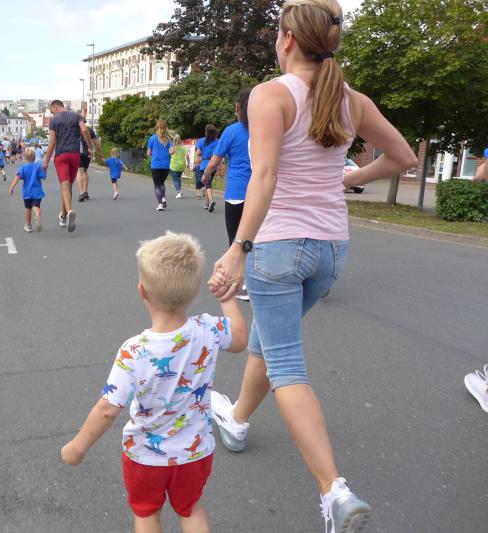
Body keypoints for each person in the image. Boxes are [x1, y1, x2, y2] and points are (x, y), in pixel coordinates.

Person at [207, 1, 417, 531]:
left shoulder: (270, 94)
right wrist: (348, 179)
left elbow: (265, 177)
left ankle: (333, 491)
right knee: (269, 341)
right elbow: (404, 158)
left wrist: (238, 248)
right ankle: (237, 420)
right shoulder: (352, 100)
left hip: (280, 247)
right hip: (331, 251)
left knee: (286, 365)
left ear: (288, 40)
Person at [61, 231, 248, 533]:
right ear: (194, 290)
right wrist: (226, 300)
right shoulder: (208, 329)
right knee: (190, 509)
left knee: (146, 513)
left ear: (142, 291)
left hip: (145, 456)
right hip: (195, 452)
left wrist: (78, 447)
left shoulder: (134, 351)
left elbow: (107, 409)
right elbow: (239, 339)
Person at [204, 88, 253, 300]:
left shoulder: (231, 131)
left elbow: (215, 161)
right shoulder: (265, 128)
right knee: (258, 239)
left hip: (236, 193)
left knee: (236, 241)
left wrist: (205, 174)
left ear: (237, 107)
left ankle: (241, 286)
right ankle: (258, 281)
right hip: (261, 194)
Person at [42, 100, 94, 232]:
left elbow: (52, 142)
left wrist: (46, 161)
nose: (52, 114)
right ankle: (64, 216)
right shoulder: (76, 116)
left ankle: (69, 211)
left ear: (56, 106)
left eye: (52, 111)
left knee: (64, 187)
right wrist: (89, 147)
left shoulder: (54, 121)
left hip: (61, 156)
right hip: (74, 155)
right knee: (69, 186)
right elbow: (85, 130)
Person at [9, 147, 46, 233]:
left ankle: (28, 226)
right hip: (37, 192)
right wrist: (44, 170)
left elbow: (17, 177)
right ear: (35, 157)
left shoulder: (23, 168)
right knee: (36, 206)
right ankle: (37, 215)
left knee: (28, 209)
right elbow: (44, 177)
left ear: (25, 158)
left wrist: (12, 187)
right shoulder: (38, 167)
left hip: (27, 192)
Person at [147, 119, 174, 211]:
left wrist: (154, 153)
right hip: (165, 165)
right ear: (165, 127)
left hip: (155, 165)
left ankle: (160, 204)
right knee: (161, 183)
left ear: (156, 127)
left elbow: (148, 153)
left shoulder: (152, 138)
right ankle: (163, 198)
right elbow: (172, 151)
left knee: (157, 185)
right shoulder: (168, 139)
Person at [196, 125, 220, 212]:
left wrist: (200, 153)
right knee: (208, 183)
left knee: (207, 184)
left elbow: (198, 152)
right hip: (214, 164)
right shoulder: (218, 141)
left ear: (206, 132)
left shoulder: (201, 141)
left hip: (204, 164)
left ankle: (211, 201)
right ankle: (206, 203)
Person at [77, 124, 102, 202]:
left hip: (77, 153)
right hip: (87, 152)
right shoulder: (90, 130)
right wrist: (100, 153)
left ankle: (81, 192)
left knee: (79, 171)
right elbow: (97, 143)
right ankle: (85, 192)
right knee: (85, 171)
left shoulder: (74, 130)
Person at [169, 135, 189, 199]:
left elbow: (170, 153)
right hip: (182, 165)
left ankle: (179, 192)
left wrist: (172, 145)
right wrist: (188, 164)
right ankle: (180, 190)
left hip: (174, 165)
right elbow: (187, 156)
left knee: (175, 180)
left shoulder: (172, 147)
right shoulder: (183, 147)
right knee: (178, 178)